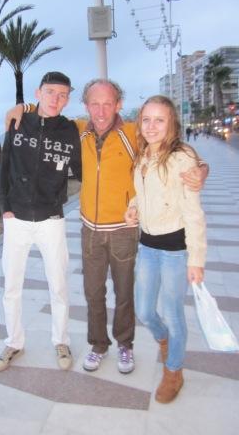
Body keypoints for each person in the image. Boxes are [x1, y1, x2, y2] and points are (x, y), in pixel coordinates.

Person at [5, 79, 208, 375]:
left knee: (124, 293)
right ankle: (98, 345)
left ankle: (125, 345)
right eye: (94, 104)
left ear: (119, 105)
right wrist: (22, 107)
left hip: (123, 230)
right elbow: (49, 110)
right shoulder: (78, 130)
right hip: (89, 229)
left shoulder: (132, 133)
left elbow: (170, 146)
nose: (101, 111)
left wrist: (202, 168)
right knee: (93, 292)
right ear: (86, 106)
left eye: (108, 103)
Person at [0, 71, 82, 373]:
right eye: (51, 92)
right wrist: (4, 205)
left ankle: (61, 340)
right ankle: (13, 342)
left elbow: (83, 169)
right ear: (38, 93)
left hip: (51, 219)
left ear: (68, 98)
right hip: (15, 217)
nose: (56, 99)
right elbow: (3, 165)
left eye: (63, 94)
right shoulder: (19, 122)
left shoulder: (71, 131)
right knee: (11, 285)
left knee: (58, 284)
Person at [125, 95, 206, 403]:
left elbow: (193, 213)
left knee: (172, 314)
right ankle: (166, 342)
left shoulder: (182, 157)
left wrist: (195, 259)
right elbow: (144, 193)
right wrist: (134, 207)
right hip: (147, 246)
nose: (152, 126)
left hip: (174, 251)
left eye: (160, 120)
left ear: (171, 123)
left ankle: (174, 370)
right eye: (146, 119)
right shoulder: (144, 154)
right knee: (145, 310)